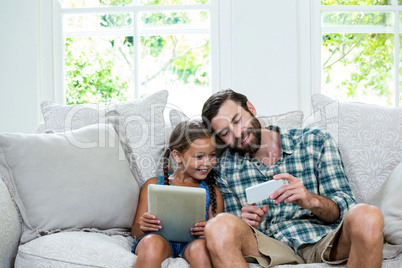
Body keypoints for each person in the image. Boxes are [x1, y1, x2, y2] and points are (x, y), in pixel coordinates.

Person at [201, 89, 384, 268]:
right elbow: (232, 228)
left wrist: (312, 201)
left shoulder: (316, 141)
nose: (237, 133)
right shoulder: (224, 167)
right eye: (225, 133)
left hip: (322, 239)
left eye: (237, 120)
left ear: (251, 108)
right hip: (267, 246)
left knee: (368, 215)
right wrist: (245, 221)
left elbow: (346, 209)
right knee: (218, 226)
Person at [131, 120, 224, 268]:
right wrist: (143, 225)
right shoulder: (153, 185)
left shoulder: (212, 192)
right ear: (177, 156)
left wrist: (209, 231)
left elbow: (219, 234)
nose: (207, 163)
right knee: (151, 243)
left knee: (201, 250)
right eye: (199, 157)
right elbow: (135, 231)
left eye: (212, 155)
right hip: (158, 240)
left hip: (194, 244)